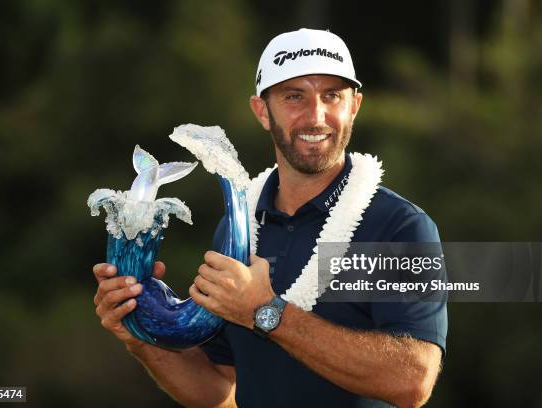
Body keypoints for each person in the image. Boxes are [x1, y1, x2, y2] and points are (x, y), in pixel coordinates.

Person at [92, 28, 447, 408]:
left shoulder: (400, 226)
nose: (316, 116)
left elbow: (413, 380)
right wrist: (138, 335)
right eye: (295, 97)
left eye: (332, 96)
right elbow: (221, 390)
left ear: (354, 106)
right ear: (262, 111)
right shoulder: (240, 226)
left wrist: (265, 312)